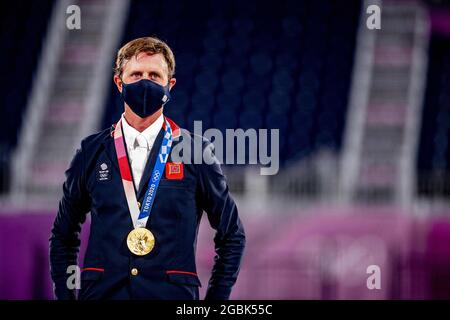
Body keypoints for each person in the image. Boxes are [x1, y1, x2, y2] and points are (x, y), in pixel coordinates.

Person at [49, 36, 245, 300]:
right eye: (136, 74)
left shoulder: (196, 152)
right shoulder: (90, 151)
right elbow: (63, 234)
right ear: (119, 83)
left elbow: (232, 235)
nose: (145, 82)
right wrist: (64, 294)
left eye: (154, 75)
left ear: (169, 85)